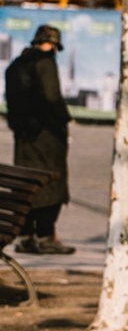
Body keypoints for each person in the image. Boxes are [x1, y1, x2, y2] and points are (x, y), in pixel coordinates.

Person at [5, 25, 74, 255]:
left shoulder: (17, 64)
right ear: (52, 44)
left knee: (26, 184)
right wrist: (64, 119)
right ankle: (46, 236)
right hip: (46, 136)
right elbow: (52, 96)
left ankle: (25, 236)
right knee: (51, 183)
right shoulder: (45, 63)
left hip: (24, 136)